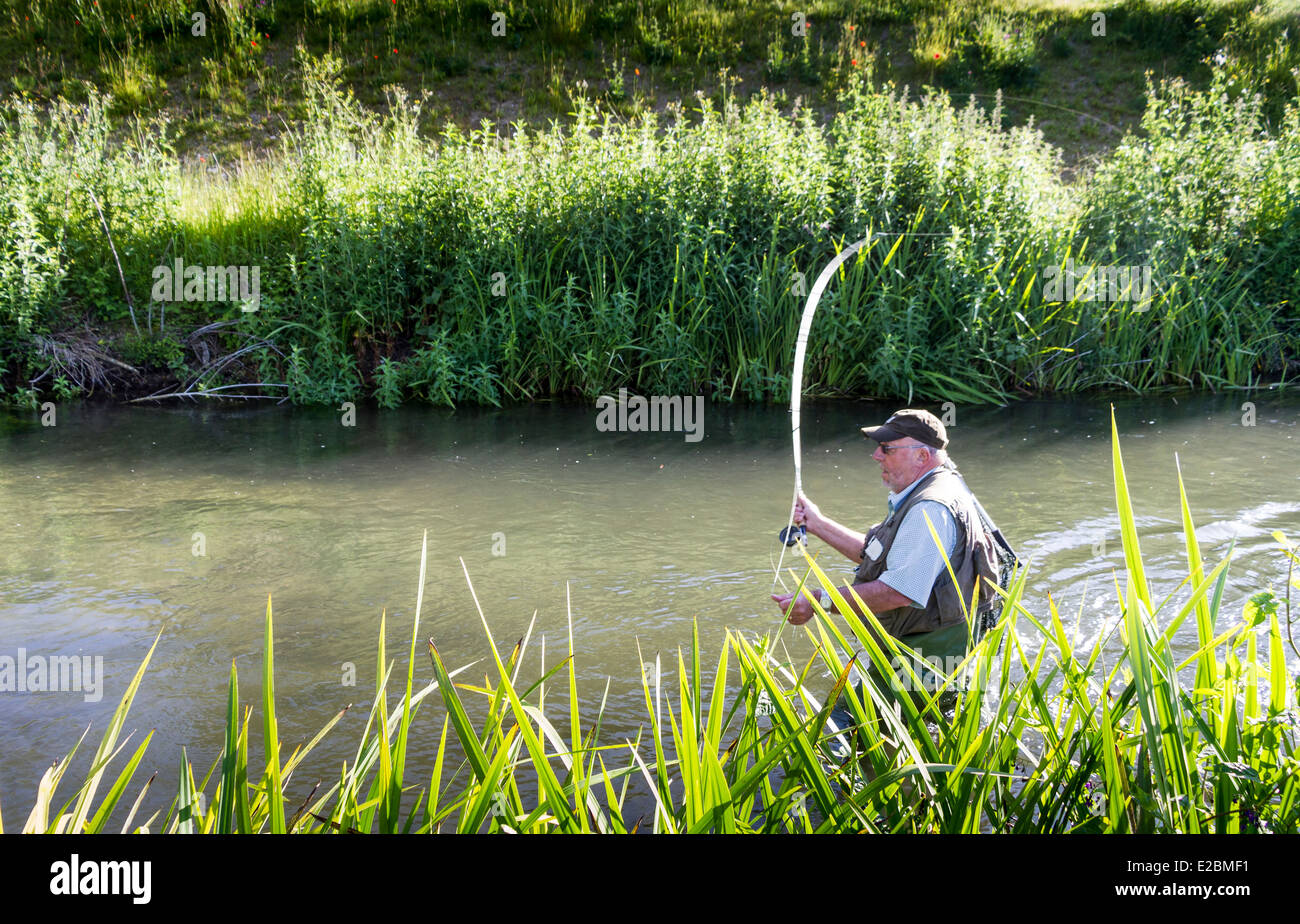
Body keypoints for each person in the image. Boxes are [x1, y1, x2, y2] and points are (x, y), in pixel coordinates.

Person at [770, 408, 1003, 712]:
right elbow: (889, 558)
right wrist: (817, 523)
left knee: (835, 734)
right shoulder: (937, 486)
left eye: (887, 449)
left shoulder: (929, 509)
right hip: (938, 650)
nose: (876, 456)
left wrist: (816, 602)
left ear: (922, 457)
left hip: (925, 660)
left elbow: (899, 591)